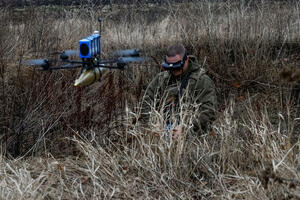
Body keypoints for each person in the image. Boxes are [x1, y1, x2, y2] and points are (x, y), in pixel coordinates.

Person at [140, 44, 217, 138]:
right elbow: (146, 102)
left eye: (177, 66)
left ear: (186, 60)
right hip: (162, 133)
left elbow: (209, 111)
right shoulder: (161, 78)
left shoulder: (202, 81)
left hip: (193, 135)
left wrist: (187, 127)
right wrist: (154, 122)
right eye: (170, 67)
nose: (174, 70)